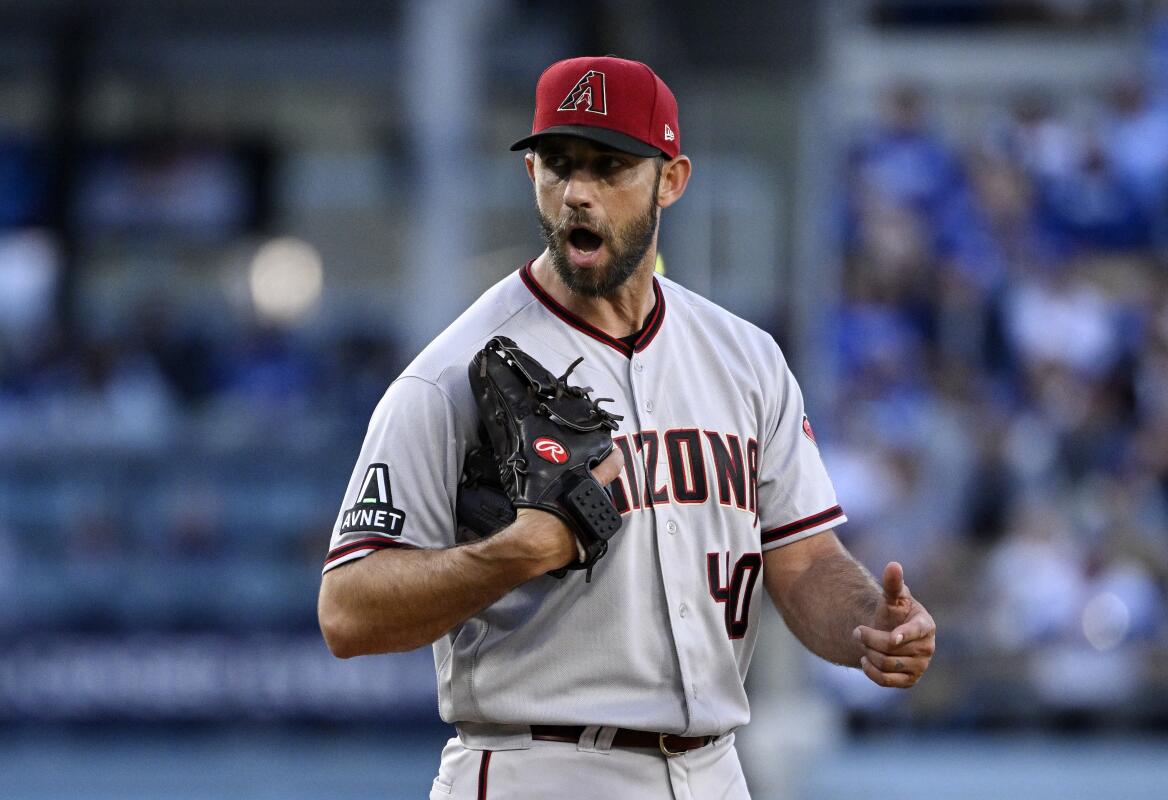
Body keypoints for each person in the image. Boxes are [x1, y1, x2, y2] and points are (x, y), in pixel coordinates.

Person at [318, 55, 935, 799]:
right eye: (557, 163)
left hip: (714, 770)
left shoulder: (745, 358)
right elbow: (347, 612)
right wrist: (506, 558)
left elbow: (802, 563)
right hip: (538, 765)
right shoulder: (450, 375)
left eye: (609, 167)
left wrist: (870, 624)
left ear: (670, 180)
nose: (577, 193)